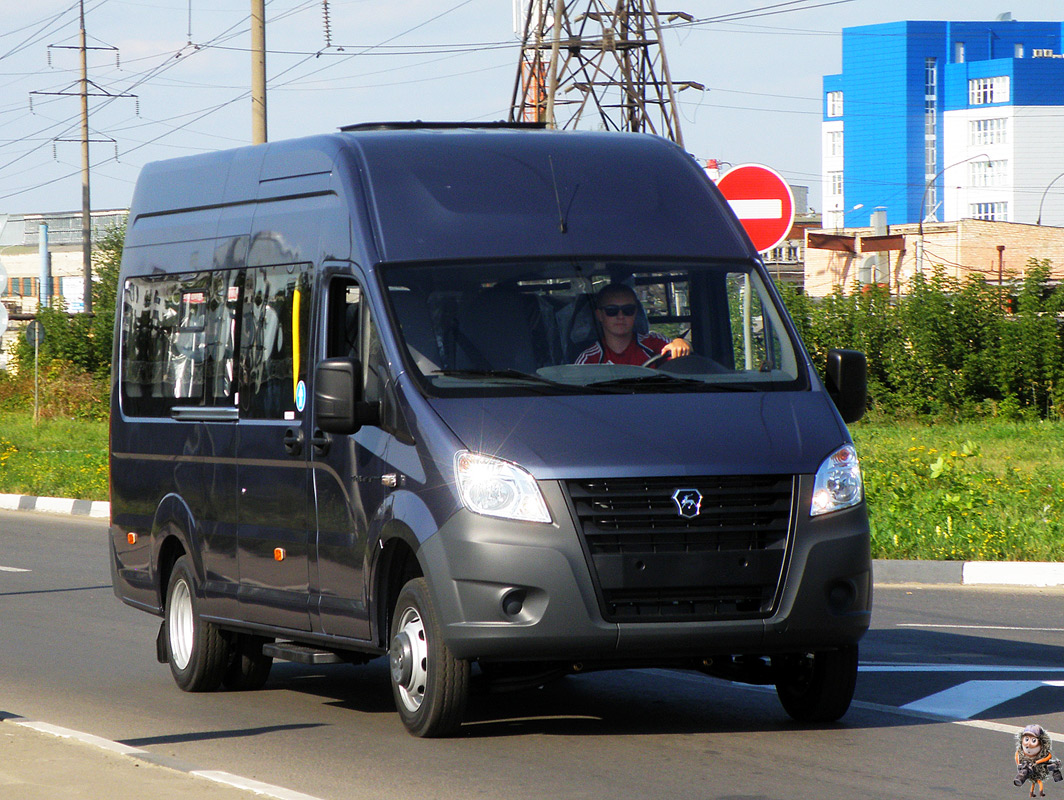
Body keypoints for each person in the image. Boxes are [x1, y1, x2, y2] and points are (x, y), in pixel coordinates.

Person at [574, 283, 692, 366]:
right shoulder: (589, 359)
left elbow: (683, 353)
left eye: (628, 310)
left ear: (636, 313)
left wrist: (681, 343)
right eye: (612, 310)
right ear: (599, 315)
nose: (620, 316)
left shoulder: (654, 343)